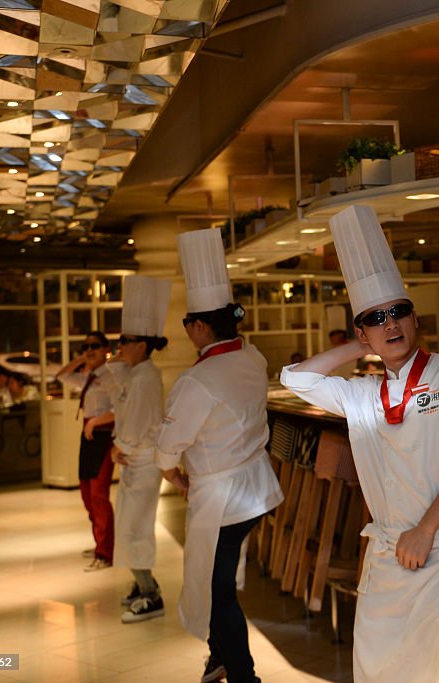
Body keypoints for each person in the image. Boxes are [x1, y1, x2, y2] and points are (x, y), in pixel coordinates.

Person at [281, 205, 439, 683]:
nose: (391, 324)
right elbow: (295, 378)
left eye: (398, 313)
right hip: (385, 557)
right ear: (361, 330)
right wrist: (363, 346)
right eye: (376, 319)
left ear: (414, 317)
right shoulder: (360, 396)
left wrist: (425, 529)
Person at [156, 228, 282, 683]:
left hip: (224, 497)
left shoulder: (199, 379)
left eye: (189, 323)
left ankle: (243, 674)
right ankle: (218, 657)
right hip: (255, 488)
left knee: (215, 589)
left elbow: (171, 444)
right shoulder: (251, 356)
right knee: (217, 579)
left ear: (199, 326)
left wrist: (170, 469)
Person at [109, 275, 172, 624]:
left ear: (142, 345)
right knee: (130, 526)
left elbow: (137, 421)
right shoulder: (136, 373)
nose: (120, 346)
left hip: (142, 460)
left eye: (126, 341)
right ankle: (141, 582)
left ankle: (150, 592)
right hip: (134, 459)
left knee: (136, 528)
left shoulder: (146, 377)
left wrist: (120, 446)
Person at [57, 331, 120, 571]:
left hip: (103, 435)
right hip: (89, 436)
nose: (89, 350)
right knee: (86, 493)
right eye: (86, 347)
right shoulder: (89, 377)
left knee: (98, 495)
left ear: (106, 349)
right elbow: (62, 376)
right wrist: (82, 360)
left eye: (95, 346)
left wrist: (95, 422)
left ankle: (105, 552)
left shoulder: (111, 376)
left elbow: (119, 409)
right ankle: (99, 542)